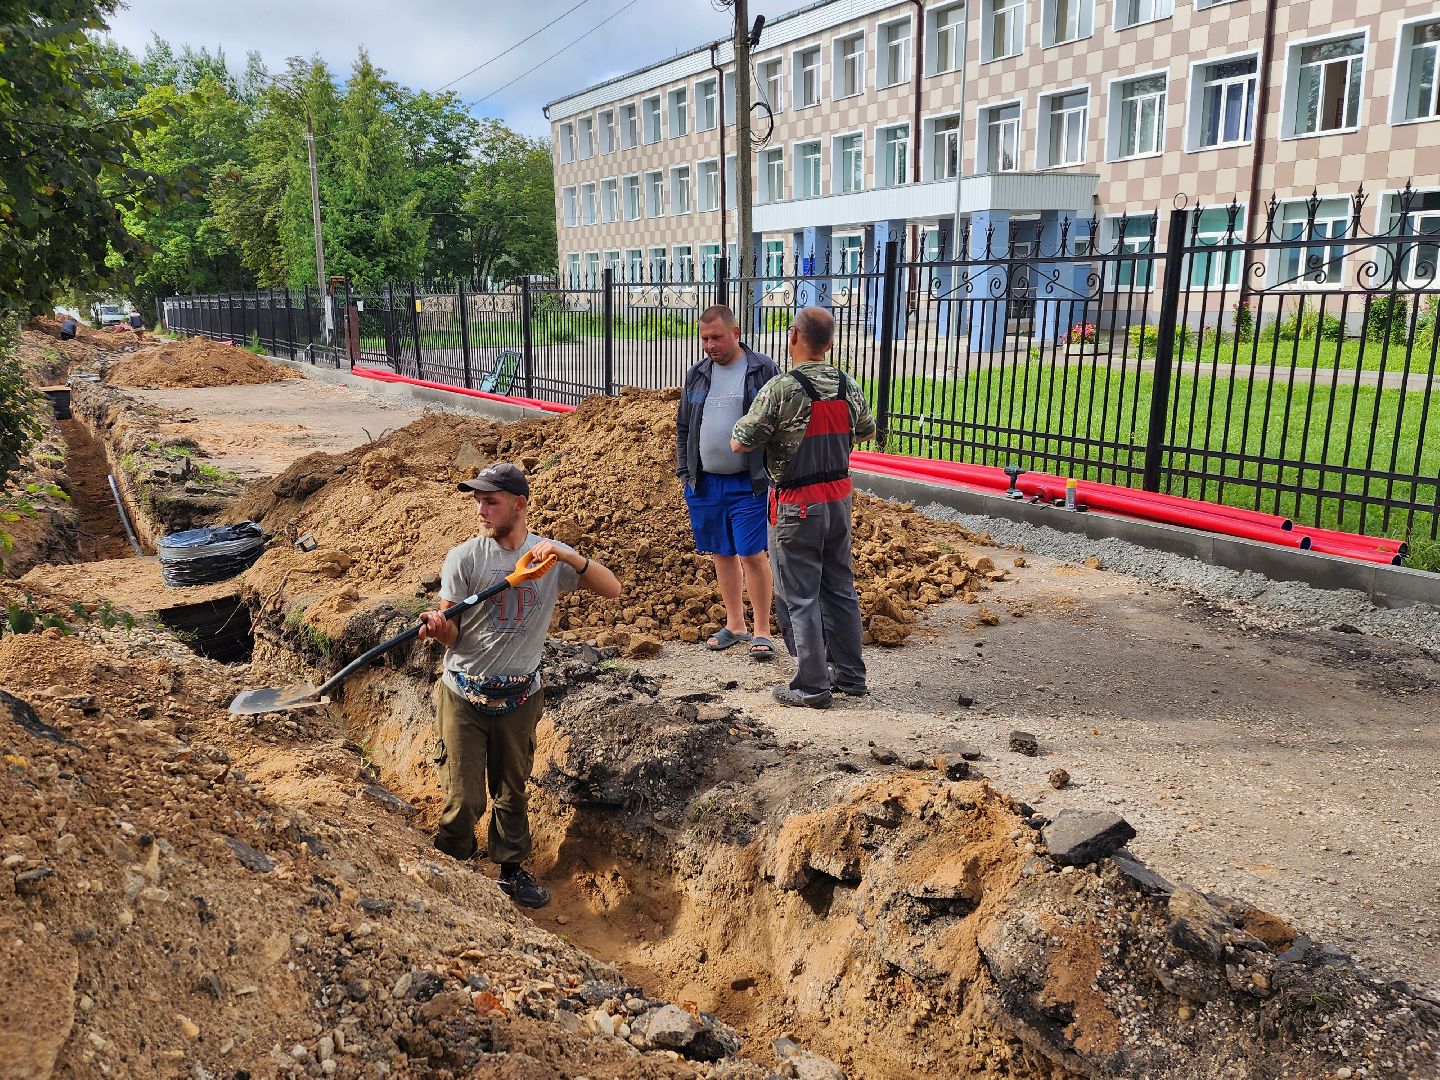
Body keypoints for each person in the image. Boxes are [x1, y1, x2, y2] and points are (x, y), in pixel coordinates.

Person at [418, 461, 620, 908]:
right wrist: (437, 627)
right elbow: (452, 631)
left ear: (518, 503)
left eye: (490, 501)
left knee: (512, 791)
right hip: (464, 693)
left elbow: (612, 589)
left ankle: (511, 870)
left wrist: (569, 557)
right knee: (464, 798)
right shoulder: (465, 558)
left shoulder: (547, 559)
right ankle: (455, 864)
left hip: (520, 696)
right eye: (477, 501)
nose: (481, 510)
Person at [730, 306, 876, 709]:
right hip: (838, 500)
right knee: (840, 588)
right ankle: (850, 676)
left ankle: (812, 686)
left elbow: (740, 442)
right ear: (829, 344)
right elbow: (865, 431)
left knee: (800, 596)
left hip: (797, 504)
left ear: (794, 337)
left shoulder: (781, 388)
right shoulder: (848, 385)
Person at [675, 305, 781, 660]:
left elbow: (777, 424)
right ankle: (735, 624)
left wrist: (772, 473)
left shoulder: (761, 369)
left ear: (735, 333)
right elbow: (684, 427)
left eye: (717, 337)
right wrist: (684, 473)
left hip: (747, 482)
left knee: (752, 553)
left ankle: (763, 631)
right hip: (704, 483)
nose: (709, 345)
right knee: (721, 552)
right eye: (704, 338)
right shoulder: (698, 374)